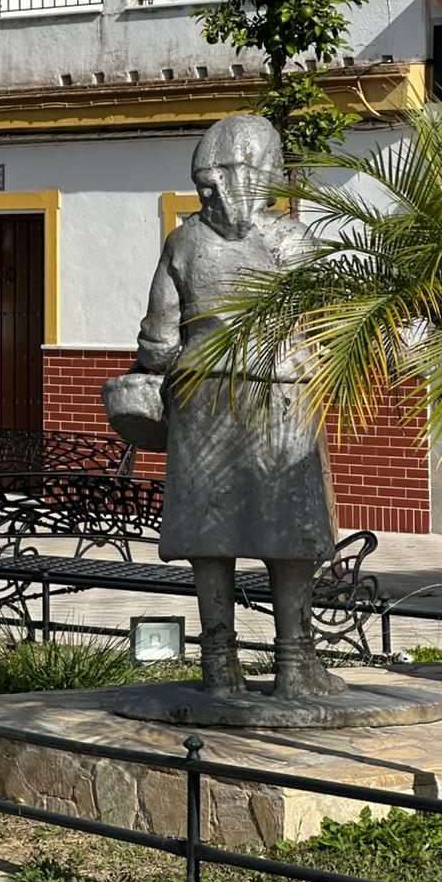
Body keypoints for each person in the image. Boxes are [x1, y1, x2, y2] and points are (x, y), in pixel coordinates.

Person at [117, 113, 342, 700]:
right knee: (287, 533)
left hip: (200, 396)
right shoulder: (294, 241)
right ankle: (295, 664)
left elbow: (159, 342)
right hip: (282, 392)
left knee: (208, 535)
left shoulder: (183, 241)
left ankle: (220, 664)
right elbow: (325, 326)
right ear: (263, 173)